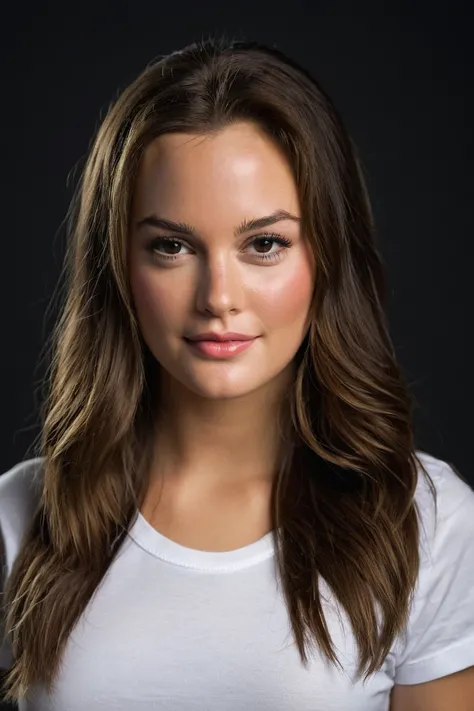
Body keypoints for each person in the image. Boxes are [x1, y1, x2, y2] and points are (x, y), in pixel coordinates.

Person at [1, 35, 473, 711]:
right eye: (171, 246)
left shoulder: (429, 523)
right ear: (120, 268)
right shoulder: (19, 520)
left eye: (263, 244)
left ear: (327, 256)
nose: (218, 295)